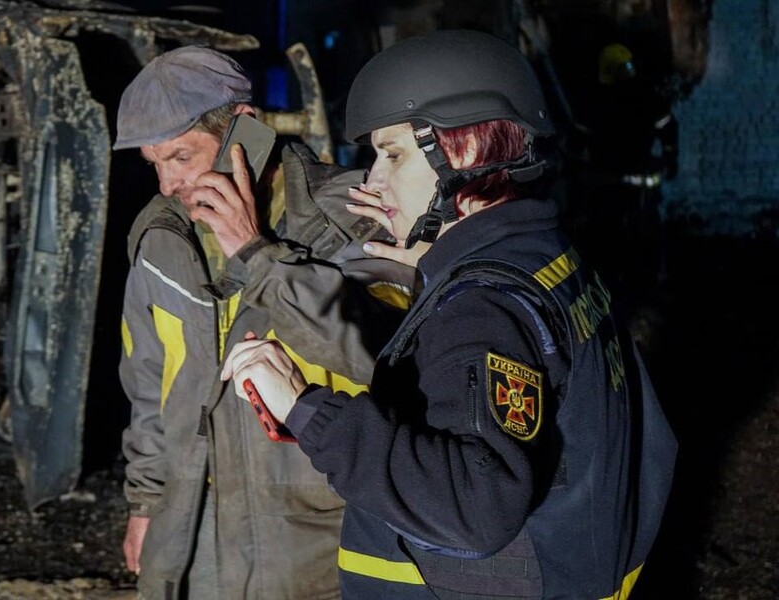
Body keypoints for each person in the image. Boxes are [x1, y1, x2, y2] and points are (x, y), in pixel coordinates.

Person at [222, 30, 678, 600]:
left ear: (461, 151)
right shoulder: (543, 254)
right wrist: (438, 267)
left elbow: (474, 508)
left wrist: (304, 407)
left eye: (392, 155)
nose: (373, 180)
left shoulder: (482, 303)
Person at [113, 45, 413, 599]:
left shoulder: (355, 215)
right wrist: (146, 504)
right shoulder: (161, 237)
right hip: (193, 543)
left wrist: (256, 254)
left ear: (242, 127)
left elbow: (386, 359)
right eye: (154, 163)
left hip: (314, 544)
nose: (167, 184)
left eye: (181, 156)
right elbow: (151, 387)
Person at [565, 41, 679, 302]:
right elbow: (669, 130)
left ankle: (607, 292)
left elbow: (575, 144)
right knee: (645, 238)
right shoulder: (649, 98)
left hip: (604, 185)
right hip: (640, 189)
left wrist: (573, 172)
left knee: (604, 241)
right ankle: (648, 289)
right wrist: (671, 159)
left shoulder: (594, 101)